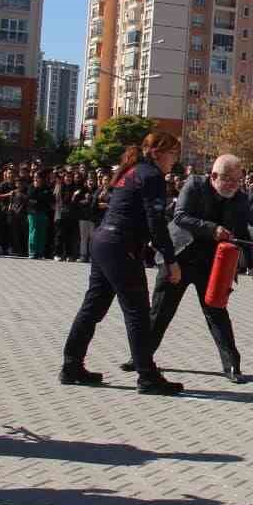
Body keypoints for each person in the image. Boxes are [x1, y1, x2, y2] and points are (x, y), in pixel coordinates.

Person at [59, 132, 185, 395]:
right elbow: (156, 222)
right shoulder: (151, 177)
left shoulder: (133, 171)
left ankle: (71, 365)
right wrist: (170, 260)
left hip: (104, 241)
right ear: (158, 153)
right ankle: (147, 376)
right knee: (138, 311)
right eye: (174, 154)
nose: (175, 160)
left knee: (92, 307)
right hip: (121, 246)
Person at [146, 154, 253, 382]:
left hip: (212, 264)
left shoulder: (240, 198)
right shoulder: (194, 185)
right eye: (228, 179)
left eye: (237, 180)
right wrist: (212, 229)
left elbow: (250, 225)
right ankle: (141, 357)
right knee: (160, 311)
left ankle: (232, 366)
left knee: (217, 313)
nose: (233, 185)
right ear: (213, 176)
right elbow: (180, 216)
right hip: (178, 257)